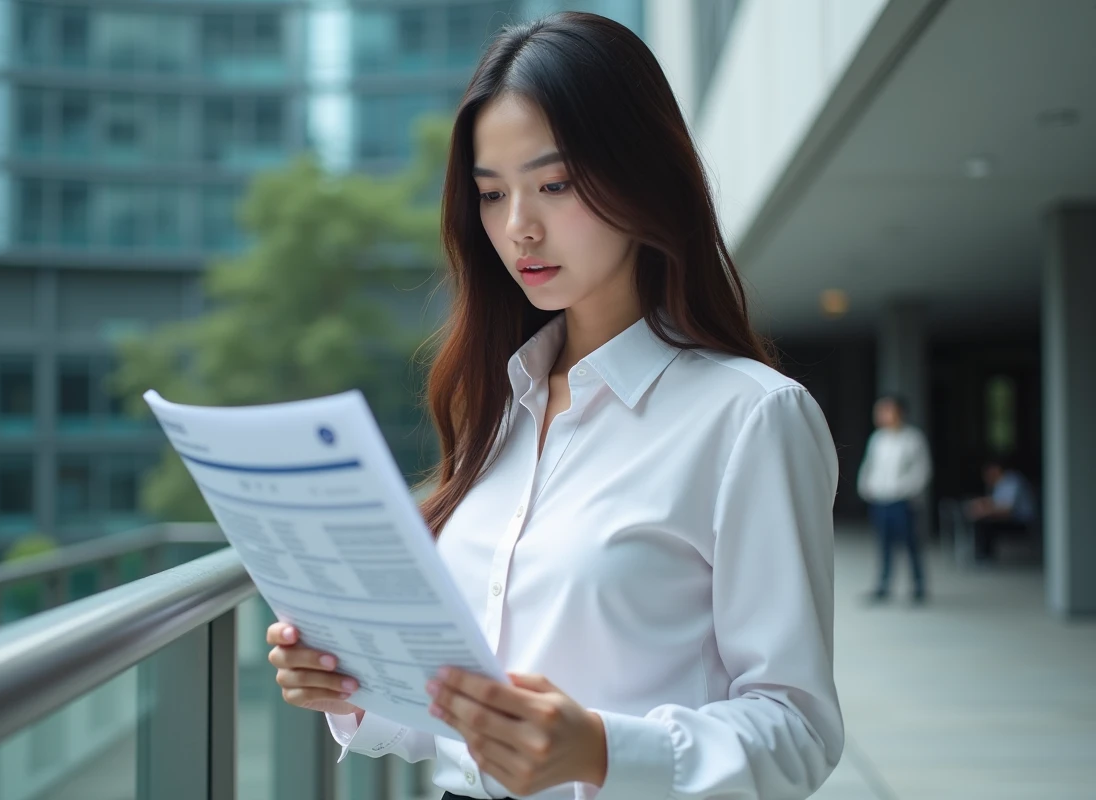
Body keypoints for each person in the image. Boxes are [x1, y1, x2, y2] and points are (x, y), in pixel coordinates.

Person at [266, 12, 842, 800]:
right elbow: (454, 709)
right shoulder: (497, 411)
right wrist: (350, 682)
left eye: (555, 184)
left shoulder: (750, 418)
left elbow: (798, 729)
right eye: (492, 194)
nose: (518, 229)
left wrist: (602, 751)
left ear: (641, 175)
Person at [857, 395, 932, 603]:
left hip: (903, 502)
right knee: (883, 545)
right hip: (880, 500)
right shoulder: (877, 439)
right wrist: (866, 487)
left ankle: (918, 586)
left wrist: (903, 490)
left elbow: (922, 471)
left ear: (900, 412)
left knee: (910, 544)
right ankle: (883, 585)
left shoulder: (913, 438)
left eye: (886, 410)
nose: (882, 415)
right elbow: (868, 466)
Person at [966, 457, 1036, 563]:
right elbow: (995, 503)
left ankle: (985, 558)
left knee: (984, 523)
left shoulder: (1011, 481)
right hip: (1011, 518)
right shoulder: (1000, 483)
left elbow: (1006, 511)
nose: (986, 478)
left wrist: (984, 512)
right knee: (982, 520)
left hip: (1021, 521)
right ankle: (980, 555)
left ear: (996, 470)